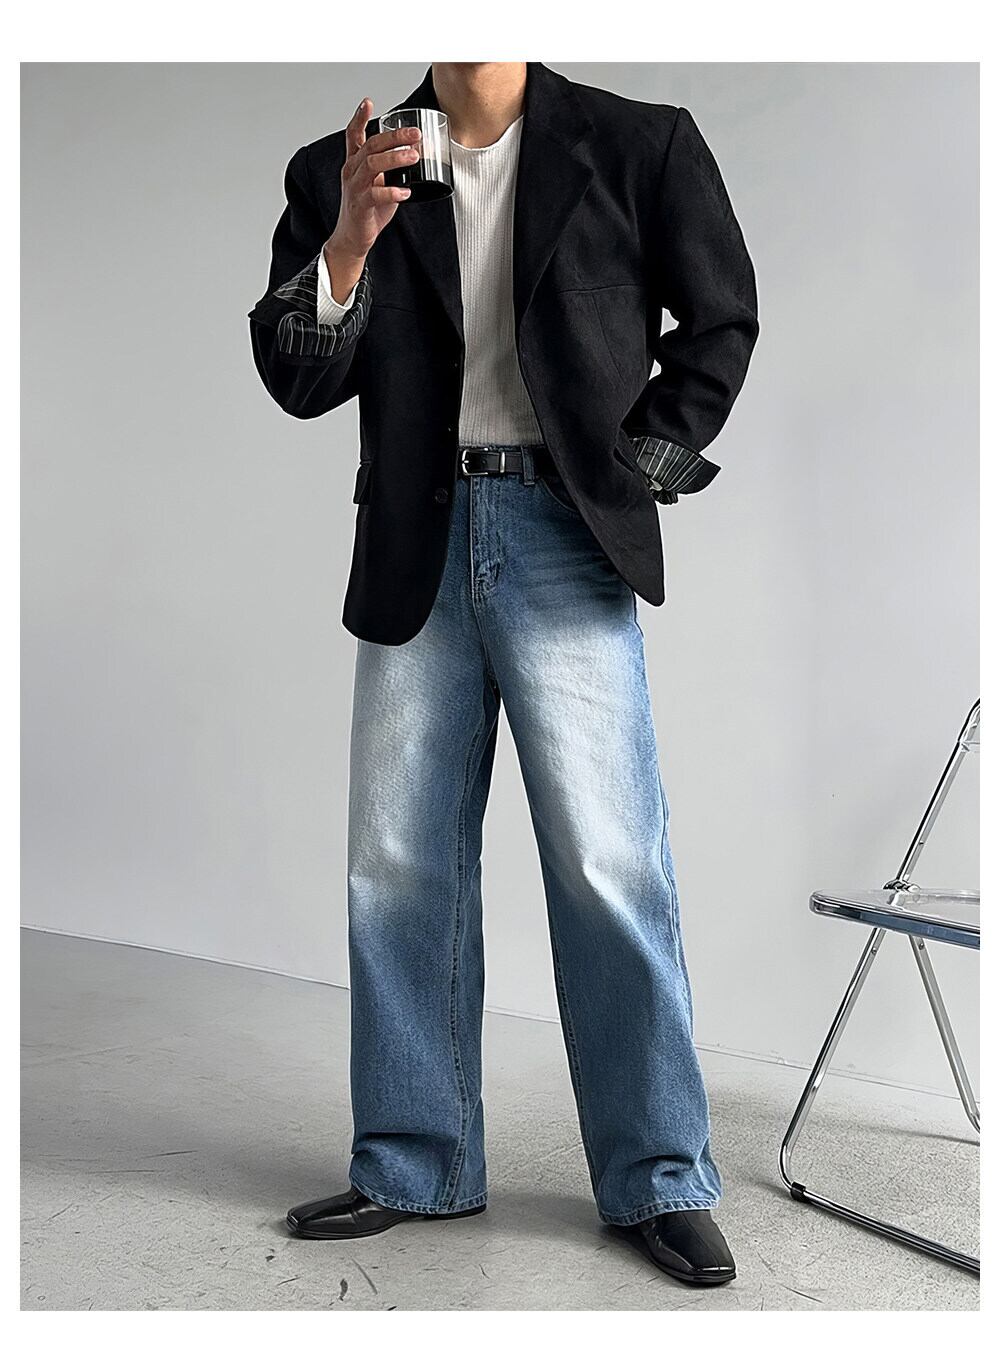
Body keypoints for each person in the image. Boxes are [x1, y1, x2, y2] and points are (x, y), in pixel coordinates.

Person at [249, 61, 758, 1288]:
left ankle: (657, 1176)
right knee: (398, 865)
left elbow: (721, 319)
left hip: (564, 538)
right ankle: (414, 1162)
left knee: (607, 863)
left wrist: (636, 466)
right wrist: (349, 243)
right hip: (416, 543)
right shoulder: (342, 166)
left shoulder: (638, 145)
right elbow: (296, 378)